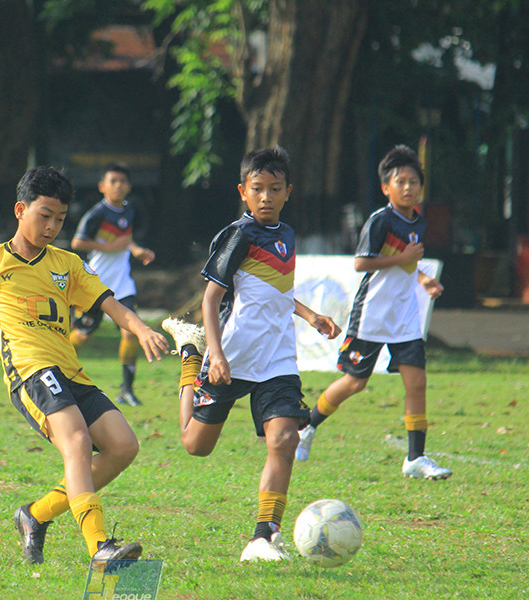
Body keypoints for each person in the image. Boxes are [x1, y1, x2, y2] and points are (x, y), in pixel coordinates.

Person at [0, 166, 170, 565]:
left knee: (123, 446)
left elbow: (108, 302)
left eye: (59, 218)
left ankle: (34, 516)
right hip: (31, 372)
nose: (52, 226)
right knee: (75, 444)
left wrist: (140, 329)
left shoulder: (67, 264)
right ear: (21, 209)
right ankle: (100, 548)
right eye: (45, 215)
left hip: (71, 372)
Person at [161, 146, 341, 563]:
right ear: (243, 191)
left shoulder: (288, 236)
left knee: (284, 439)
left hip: (277, 358)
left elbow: (278, 292)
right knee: (196, 445)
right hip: (233, 354)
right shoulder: (239, 235)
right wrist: (215, 355)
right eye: (257, 189)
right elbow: (210, 300)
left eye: (274, 189)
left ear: (287, 192)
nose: (266, 197)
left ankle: (263, 537)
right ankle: (192, 355)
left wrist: (311, 315)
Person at [294, 144, 451, 480]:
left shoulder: (418, 222)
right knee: (354, 383)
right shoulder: (379, 221)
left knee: (417, 382)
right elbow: (361, 262)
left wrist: (422, 278)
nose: (408, 187)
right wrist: (404, 260)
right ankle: (307, 426)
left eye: (414, 181)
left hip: (405, 316)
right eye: (401, 181)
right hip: (373, 315)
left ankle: (415, 459)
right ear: (386, 188)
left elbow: (407, 264)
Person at [69, 163, 156, 406]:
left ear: (129, 187)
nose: (118, 186)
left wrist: (137, 250)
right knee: (83, 335)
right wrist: (108, 247)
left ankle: (127, 390)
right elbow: (78, 243)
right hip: (95, 284)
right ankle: (57, 366)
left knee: (130, 333)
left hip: (123, 284)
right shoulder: (97, 213)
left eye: (123, 181)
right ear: (102, 186)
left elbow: (125, 241)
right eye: (113, 181)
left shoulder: (129, 210)